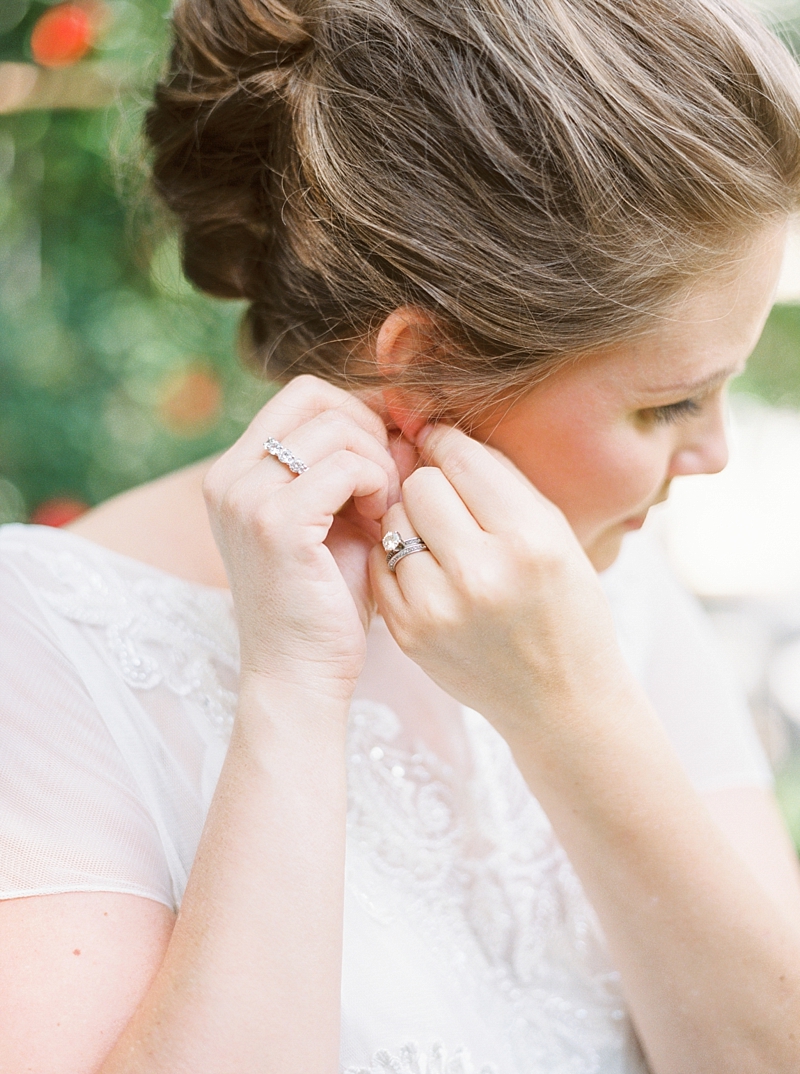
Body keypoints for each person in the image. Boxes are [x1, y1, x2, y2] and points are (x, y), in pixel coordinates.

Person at [3, 0, 800, 1071]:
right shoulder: (40, 645)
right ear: (423, 369)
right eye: (670, 404)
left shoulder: (609, 578)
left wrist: (569, 713)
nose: (713, 453)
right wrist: (291, 692)